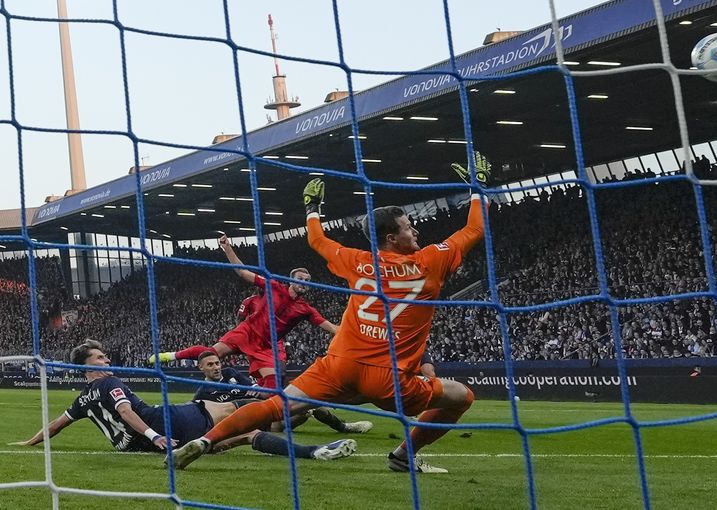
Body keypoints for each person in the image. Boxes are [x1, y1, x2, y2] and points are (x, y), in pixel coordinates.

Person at [172, 152, 491, 473]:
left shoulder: (356, 260)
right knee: (462, 396)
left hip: (340, 364)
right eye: (409, 228)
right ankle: (403, 456)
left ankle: (205, 441)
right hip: (389, 378)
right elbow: (475, 228)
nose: (416, 232)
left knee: (275, 405)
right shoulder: (431, 261)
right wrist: (478, 187)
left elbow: (316, 238)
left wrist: (312, 208)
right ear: (392, 238)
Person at [11, 339, 357, 463]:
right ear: (85, 365)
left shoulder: (83, 399)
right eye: (99, 357)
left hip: (169, 437)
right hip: (175, 420)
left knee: (245, 434)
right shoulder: (110, 383)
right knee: (269, 414)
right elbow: (127, 412)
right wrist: (154, 436)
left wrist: (28, 442)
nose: (106, 360)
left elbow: (57, 425)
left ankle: (314, 447)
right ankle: (325, 398)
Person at [149, 236, 339, 389]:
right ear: (291, 280)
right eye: (300, 278)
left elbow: (331, 328)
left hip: (266, 346)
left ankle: (256, 404)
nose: (304, 282)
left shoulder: (306, 309)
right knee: (212, 353)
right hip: (247, 332)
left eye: (307, 280)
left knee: (274, 385)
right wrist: (227, 249)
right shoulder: (273, 286)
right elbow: (242, 272)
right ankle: (170, 356)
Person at [194, 351, 373, 434]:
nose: (216, 367)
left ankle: (345, 427)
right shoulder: (202, 393)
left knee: (310, 402)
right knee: (305, 408)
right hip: (259, 425)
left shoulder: (231, 373)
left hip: (267, 412)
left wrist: (266, 393)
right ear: (201, 368)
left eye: (217, 363)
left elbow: (255, 390)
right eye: (210, 365)